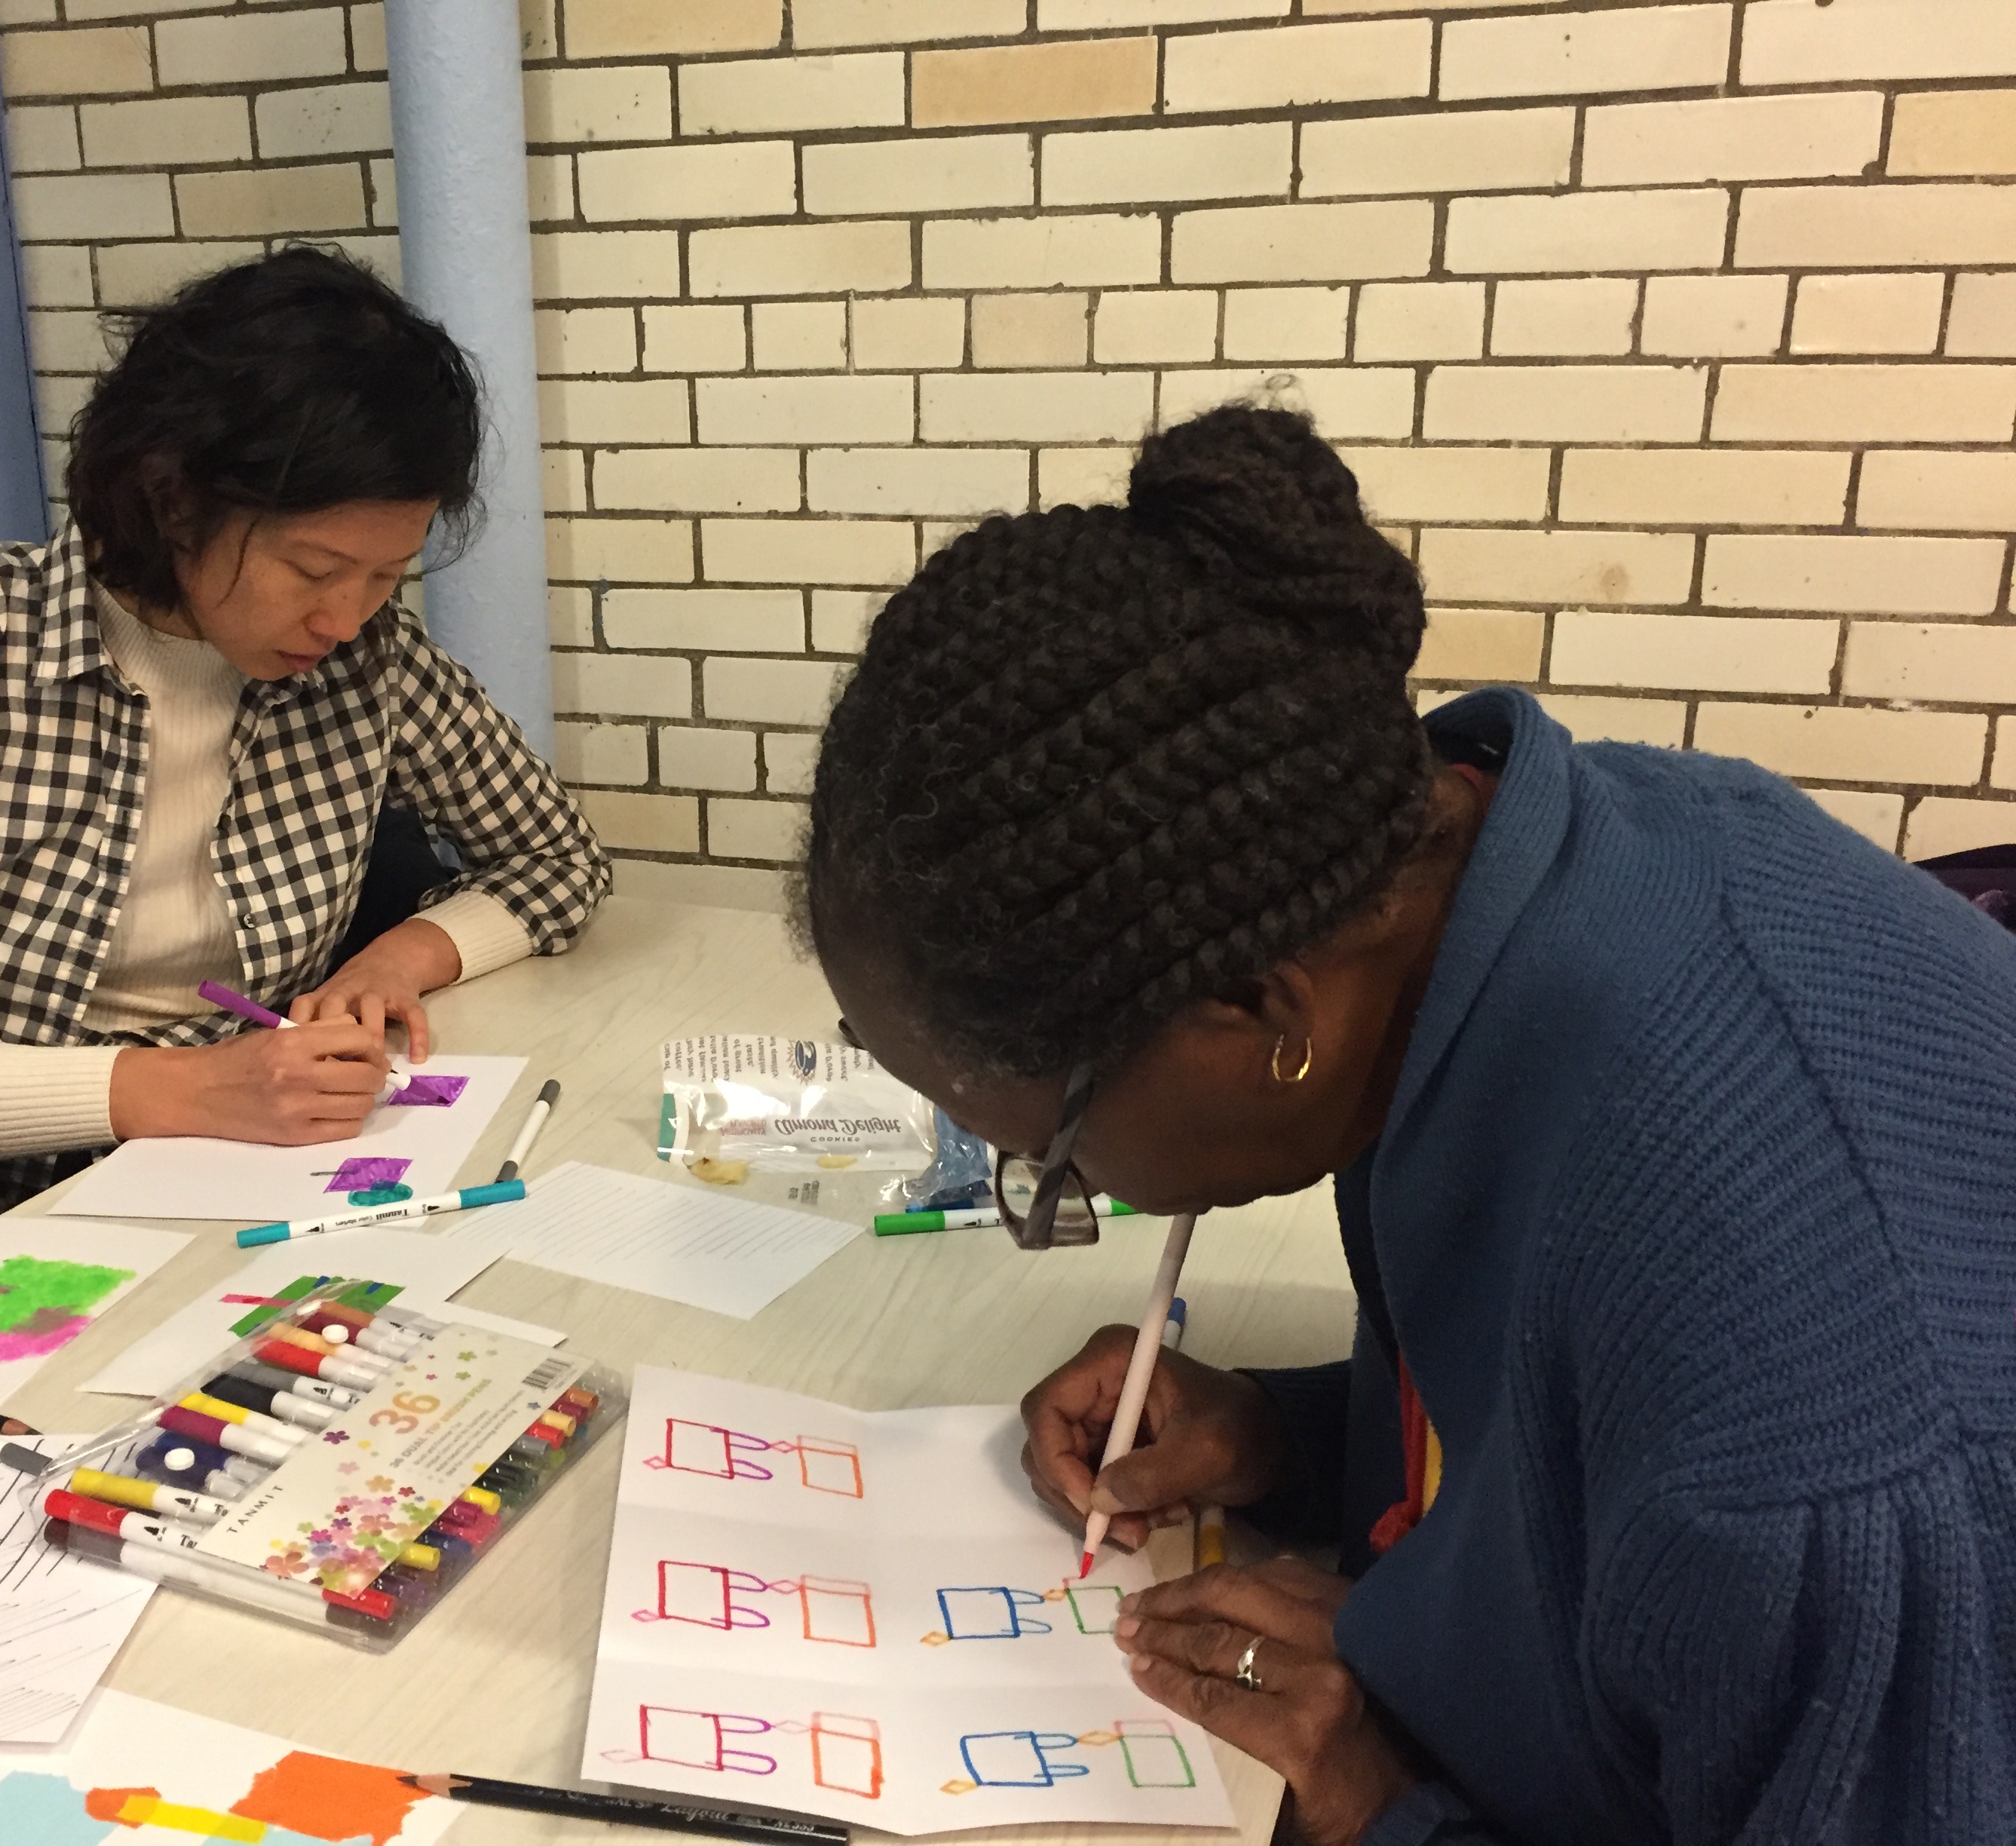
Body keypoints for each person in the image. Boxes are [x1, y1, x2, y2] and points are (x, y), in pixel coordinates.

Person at [796, 405, 2016, 1843]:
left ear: (1258, 1008)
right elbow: (1564, 1442)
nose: (1052, 1183)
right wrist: (1291, 1435)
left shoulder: (1825, 1457)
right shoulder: (1471, 890)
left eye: (1043, 1153)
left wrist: (1382, 1805)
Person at [0, 247, 608, 1359]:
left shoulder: (369, 664)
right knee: (32, 1394)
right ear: (171, 496)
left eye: (387, 576)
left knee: (382, 1360)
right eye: (315, 569)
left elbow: (556, 861)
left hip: (200, 1164)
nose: (345, 619)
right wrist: (188, 1087)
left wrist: (396, 960)